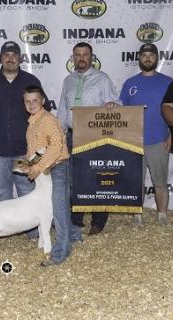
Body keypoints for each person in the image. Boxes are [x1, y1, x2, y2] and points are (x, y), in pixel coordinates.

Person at [0, 41, 50, 238]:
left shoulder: (31, 80)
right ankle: (1, 233)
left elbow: (42, 111)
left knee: (27, 192)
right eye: (6, 55)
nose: (10, 58)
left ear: (20, 58)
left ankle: (32, 234)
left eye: (14, 54)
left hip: (25, 151)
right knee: (1, 192)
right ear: (0, 58)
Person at [57, 42, 121, 235]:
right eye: (78, 55)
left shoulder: (102, 79)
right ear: (73, 58)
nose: (81, 58)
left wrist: (111, 105)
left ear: (91, 57)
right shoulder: (68, 81)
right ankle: (76, 219)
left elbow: (117, 104)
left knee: (98, 178)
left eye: (85, 55)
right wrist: (59, 134)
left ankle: (98, 221)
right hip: (72, 136)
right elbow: (62, 110)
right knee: (74, 180)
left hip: (96, 136)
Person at [23, 85, 82, 266]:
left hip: (56, 167)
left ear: (43, 101)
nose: (31, 104)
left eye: (35, 100)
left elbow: (56, 147)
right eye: (27, 101)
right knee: (55, 208)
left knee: (59, 209)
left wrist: (38, 167)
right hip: (44, 170)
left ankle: (60, 254)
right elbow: (33, 149)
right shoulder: (32, 121)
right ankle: (73, 235)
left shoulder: (47, 119)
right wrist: (30, 165)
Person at [120, 43, 172, 226]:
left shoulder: (167, 82)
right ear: (139, 59)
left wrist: (171, 135)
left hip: (159, 140)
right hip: (134, 141)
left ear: (157, 58)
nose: (147, 58)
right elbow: (123, 114)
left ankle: (163, 216)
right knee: (137, 183)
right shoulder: (130, 83)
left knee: (160, 182)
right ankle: (138, 215)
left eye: (151, 55)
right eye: (144, 55)